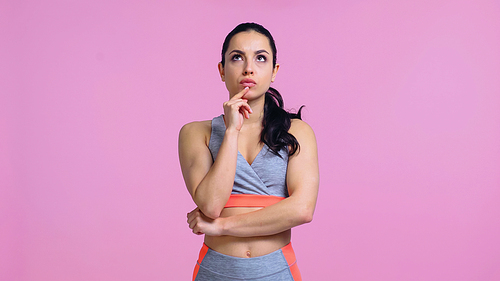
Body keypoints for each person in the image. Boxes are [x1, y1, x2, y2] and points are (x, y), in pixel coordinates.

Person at [179, 22, 319, 281]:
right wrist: (231, 131)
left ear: (274, 70)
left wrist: (222, 226)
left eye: (261, 58)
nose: (248, 68)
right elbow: (210, 205)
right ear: (222, 70)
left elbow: (302, 209)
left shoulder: (297, 132)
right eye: (236, 57)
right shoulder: (195, 133)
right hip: (214, 272)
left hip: (277, 272)